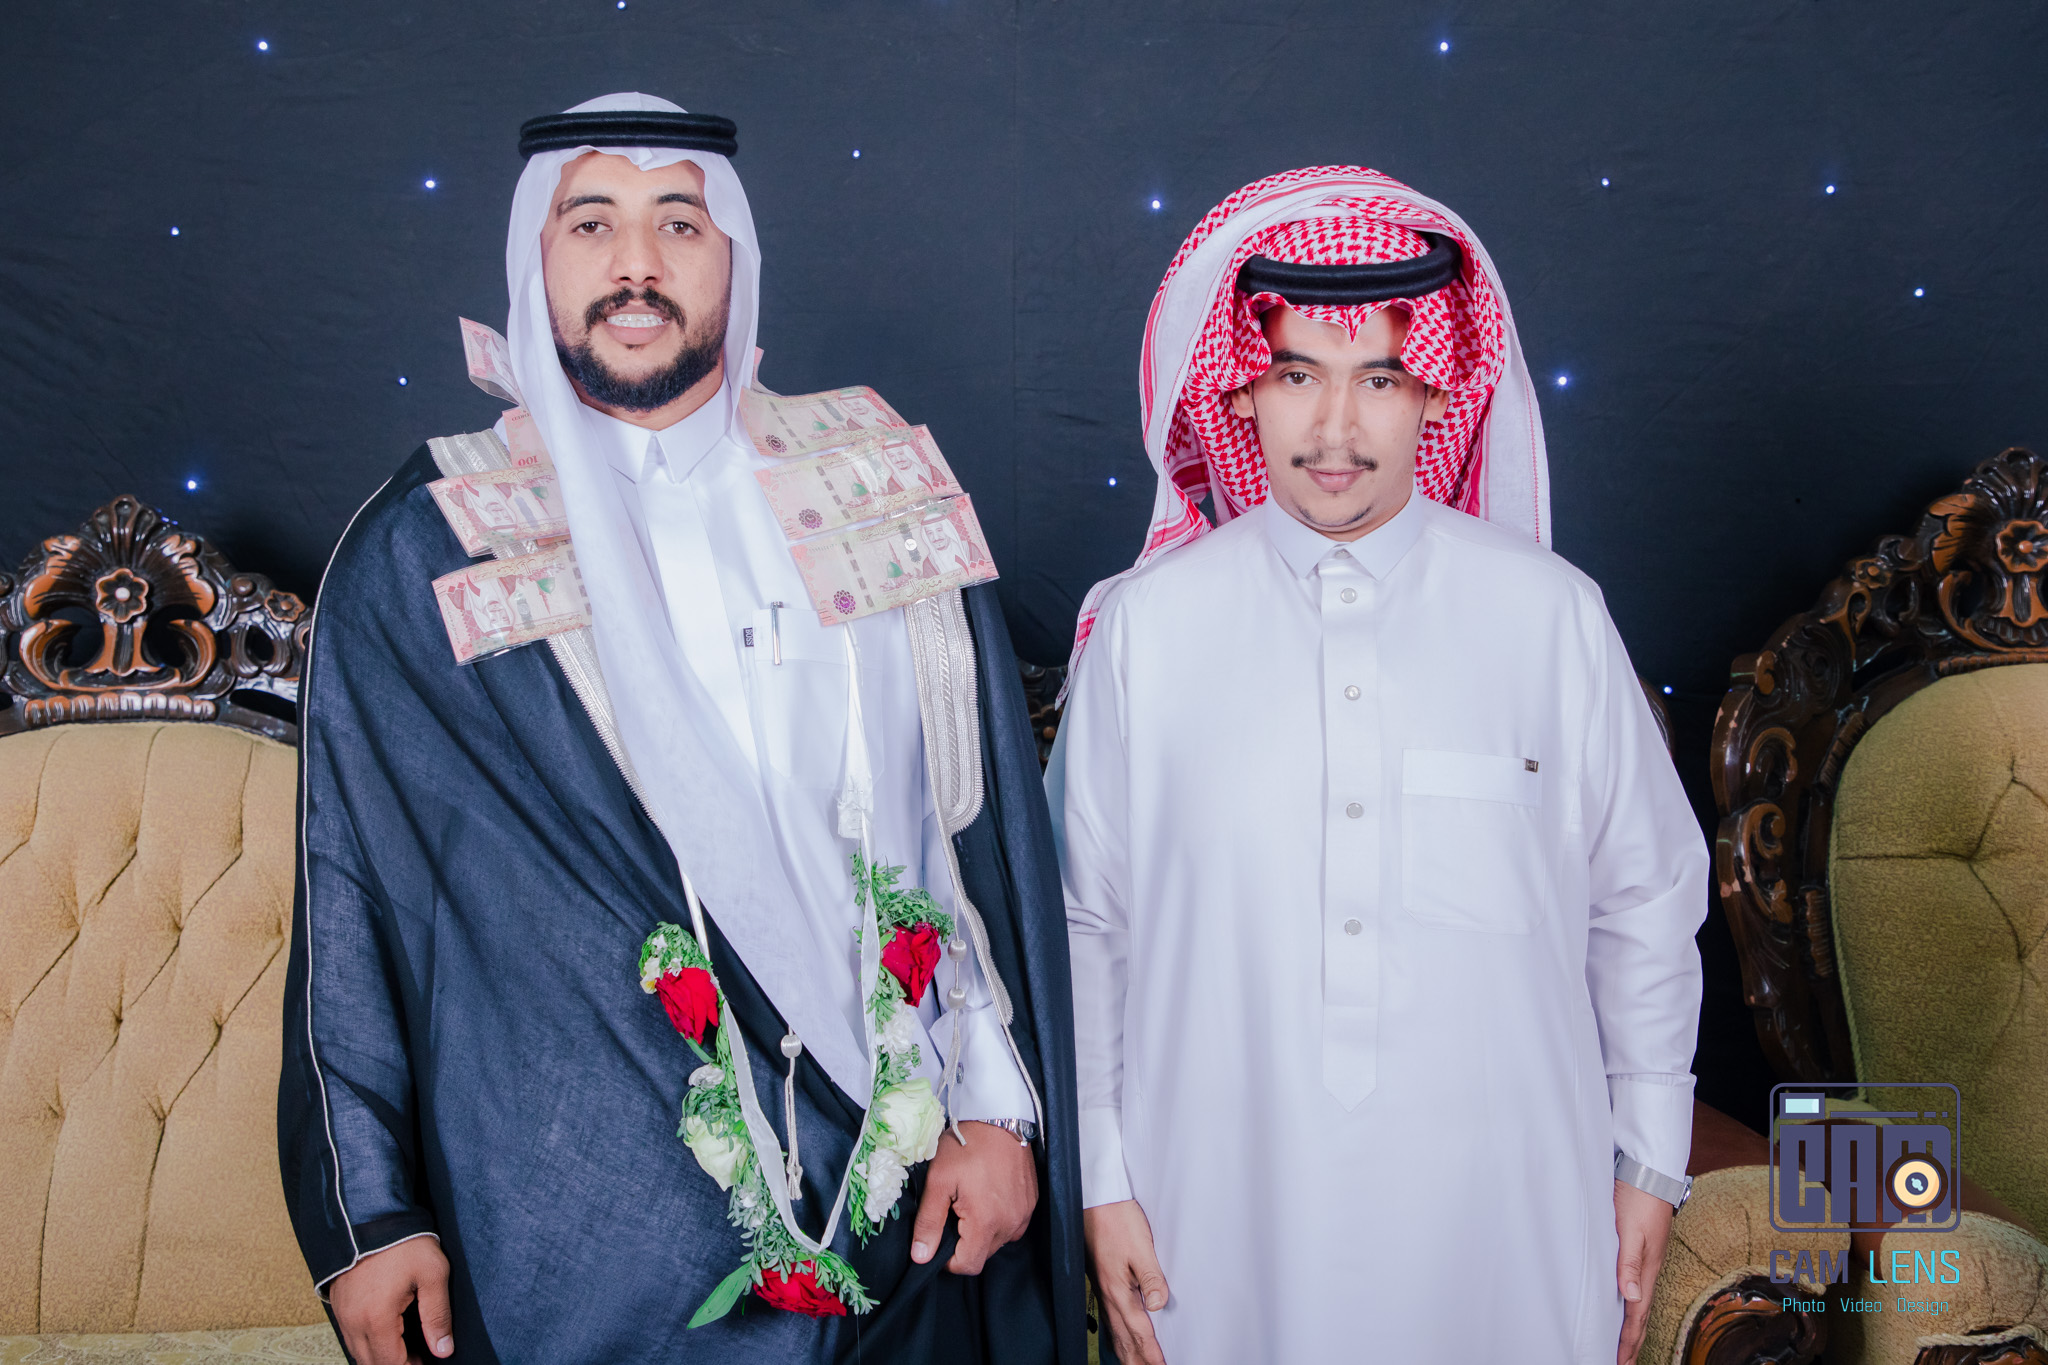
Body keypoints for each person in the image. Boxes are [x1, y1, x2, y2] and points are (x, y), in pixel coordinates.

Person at [279, 93, 1084, 1365]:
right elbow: (354, 897)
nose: (635, 264)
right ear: (536, 260)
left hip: (912, 1193)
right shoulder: (429, 544)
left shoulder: (870, 486)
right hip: (587, 1230)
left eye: (678, 224)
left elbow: (956, 834)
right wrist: (369, 1215)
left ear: (734, 258)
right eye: (590, 224)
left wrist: (998, 1110)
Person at [1055, 168, 1706, 1365]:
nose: (1335, 432)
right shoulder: (1150, 631)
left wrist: (1649, 1161)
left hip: (1509, 1219)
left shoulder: (1548, 617)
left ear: (1438, 393)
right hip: (1215, 1216)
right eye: (1297, 375)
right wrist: (1101, 1180)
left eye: (1380, 380)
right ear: (1240, 391)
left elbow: (1645, 903)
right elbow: (1085, 929)